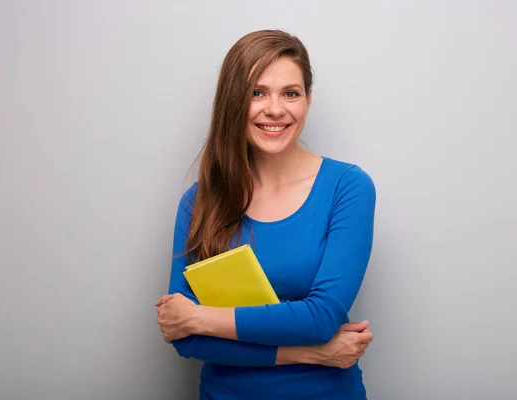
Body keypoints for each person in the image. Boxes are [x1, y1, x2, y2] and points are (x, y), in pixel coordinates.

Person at [155, 29, 376, 400]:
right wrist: (310, 352)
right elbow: (185, 339)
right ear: (232, 101)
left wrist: (201, 317)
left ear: (308, 100)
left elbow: (321, 318)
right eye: (257, 92)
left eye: (291, 93)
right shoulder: (198, 202)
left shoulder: (347, 187)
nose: (275, 109)